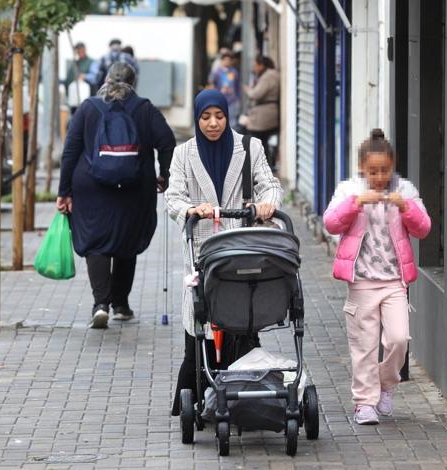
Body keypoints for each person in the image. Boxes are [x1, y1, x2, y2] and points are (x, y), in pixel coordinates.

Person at [166, 89, 283, 414]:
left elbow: (270, 184)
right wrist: (190, 209)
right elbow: (172, 196)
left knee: (242, 323)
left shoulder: (249, 147)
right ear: (197, 118)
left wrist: (268, 203)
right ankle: (197, 396)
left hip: (245, 250)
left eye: (219, 116)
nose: (213, 123)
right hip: (203, 252)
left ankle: (245, 398)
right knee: (200, 327)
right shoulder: (183, 154)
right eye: (206, 117)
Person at [322, 129, 431, 425]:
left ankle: (386, 384)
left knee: (398, 339)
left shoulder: (404, 190)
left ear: (392, 166)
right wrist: (356, 203)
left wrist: (405, 207)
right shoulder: (349, 190)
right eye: (373, 171)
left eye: (384, 170)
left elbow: (424, 228)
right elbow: (330, 223)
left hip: (395, 280)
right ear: (362, 168)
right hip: (361, 282)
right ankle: (364, 403)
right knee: (364, 345)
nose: (379, 176)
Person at [56, 62, 176, 329]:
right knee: (126, 240)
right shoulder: (144, 108)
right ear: (134, 82)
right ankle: (121, 304)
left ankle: (101, 305)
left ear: (106, 79)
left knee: (97, 243)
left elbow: (70, 151)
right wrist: (165, 176)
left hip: (90, 188)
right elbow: (167, 142)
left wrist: (64, 191)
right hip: (134, 187)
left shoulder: (88, 108)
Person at [242, 55, 280, 168]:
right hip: (266, 113)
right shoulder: (270, 75)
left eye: (256, 65)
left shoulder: (268, 76)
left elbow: (255, 94)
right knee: (261, 141)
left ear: (261, 65)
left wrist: (248, 90)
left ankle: (262, 165)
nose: (254, 68)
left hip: (264, 116)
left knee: (258, 140)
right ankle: (264, 165)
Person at [208, 48, 241, 120]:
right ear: (222, 60)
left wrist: (238, 98)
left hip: (232, 101)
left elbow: (237, 86)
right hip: (220, 101)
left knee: (232, 122)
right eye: (225, 60)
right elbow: (213, 85)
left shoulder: (234, 72)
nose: (227, 62)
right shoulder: (217, 72)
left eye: (229, 60)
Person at [63, 42, 94, 111]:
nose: (80, 53)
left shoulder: (91, 62)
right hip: (74, 101)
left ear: (85, 50)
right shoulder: (74, 64)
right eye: (78, 51)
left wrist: (85, 76)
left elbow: (94, 78)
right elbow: (67, 81)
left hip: (87, 101)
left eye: (81, 50)